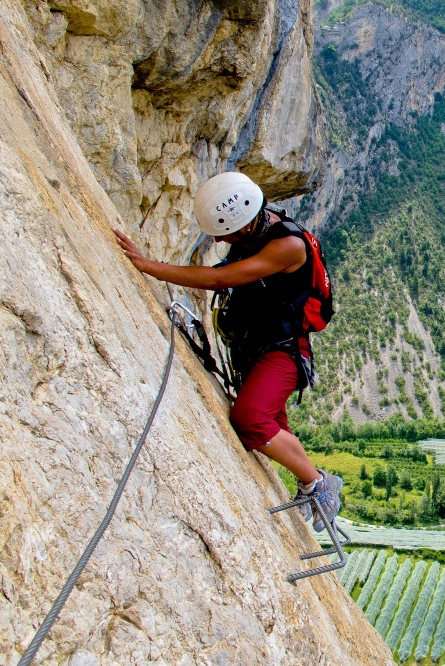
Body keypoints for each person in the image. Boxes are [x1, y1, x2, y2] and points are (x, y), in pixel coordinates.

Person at [113, 171, 341, 529]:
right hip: (256, 347)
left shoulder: (288, 245)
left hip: (282, 351)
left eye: (223, 233)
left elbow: (221, 278)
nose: (218, 239)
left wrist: (150, 267)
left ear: (242, 226)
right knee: (272, 424)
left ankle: (319, 484)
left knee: (250, 419)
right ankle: (309, 479)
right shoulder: (258, 228)